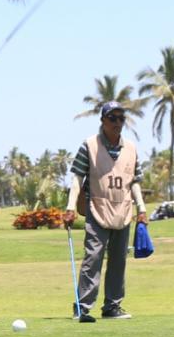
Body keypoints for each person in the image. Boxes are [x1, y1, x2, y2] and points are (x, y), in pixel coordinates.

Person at [63, 101, 149, 322]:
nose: (117, 123)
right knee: (93, 258)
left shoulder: (131, 148)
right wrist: (70, 207)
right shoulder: (89, 145)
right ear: (103, 120)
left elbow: (135, 181)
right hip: (97, 208)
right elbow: (77, 178)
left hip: (123, 210)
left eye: (121, 119)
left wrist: (142, 209)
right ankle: (82, 307)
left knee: (119, 260)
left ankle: (112, 306)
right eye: (113, 118)